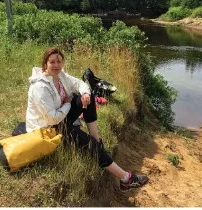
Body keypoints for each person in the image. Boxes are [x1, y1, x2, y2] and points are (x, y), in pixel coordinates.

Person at [25, 47, 149, 191]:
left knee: (86, 97)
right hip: (47, 128)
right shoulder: (40, 87)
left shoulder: (60, 76)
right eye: (52, 62)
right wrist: (66, 103)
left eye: (59, 61)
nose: (56, 65)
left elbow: (79, 84)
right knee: (90, 146)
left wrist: (85, 94)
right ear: (45, 63)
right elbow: (52, 118)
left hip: (60, 117)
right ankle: (126, 179)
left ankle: (96, 138)